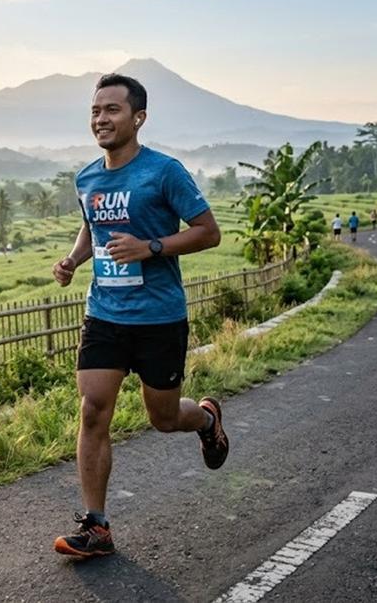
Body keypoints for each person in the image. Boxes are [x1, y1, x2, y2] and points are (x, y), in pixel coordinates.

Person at [51, 73, 227, 559]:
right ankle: (97, 526)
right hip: (105, 313)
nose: (100, 119)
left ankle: (206, 418)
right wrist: (73, 261)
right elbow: (91, 229)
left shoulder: (164, 172)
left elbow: (208, 232)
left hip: (158, 317)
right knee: (92, 410)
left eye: (112, 110)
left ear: (138, 118)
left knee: (164, 418)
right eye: (95, 111)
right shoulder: (87, 177)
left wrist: (151, 247)